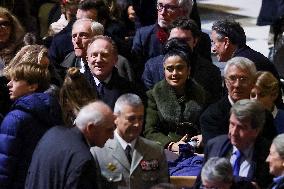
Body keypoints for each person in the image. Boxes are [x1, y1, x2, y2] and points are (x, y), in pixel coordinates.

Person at [25, 101, 115, 189]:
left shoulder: (52, 134)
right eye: (108, 130)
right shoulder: (83, 159)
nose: (111, 136)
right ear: (90, 128)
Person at [0, 62, 62, 189]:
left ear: (32, 86)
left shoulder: (15, 118)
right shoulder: (55, 111)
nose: (9, 84)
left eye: (16, 80)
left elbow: (4, 166)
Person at [91, 93, 169, 189]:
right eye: (131, 119)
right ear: (115, 119)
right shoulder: (97, 152)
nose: (137, 124)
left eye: (140, 118)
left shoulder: (155, 151)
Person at [143, 40, 206, 154]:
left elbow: (210, 123)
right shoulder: (153, 96)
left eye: (180, 68)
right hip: (165, 153)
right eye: (170, 69)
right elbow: (149, 131)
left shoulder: (202, 94)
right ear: (164, 71)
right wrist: (171, 145)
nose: (174, 73)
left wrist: (204, 136)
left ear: (188, 70)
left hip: (198, 151)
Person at [142, 19, 222, 103]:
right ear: (168, 39)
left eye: (185, 40)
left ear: (195, 41)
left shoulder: (211, 72)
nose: (178, 43)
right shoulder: (152, 67)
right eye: (174, 39)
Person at [200, 57, 277, 144]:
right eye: (232, 78)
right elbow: (216, 152)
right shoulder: (212, 117)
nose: (237, 85)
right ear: (225, 82)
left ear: (253, 82)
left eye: (243, 79)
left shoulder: (264, 116)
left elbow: (270, 152)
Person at [211, 18, 283, 107]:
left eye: (214, 43)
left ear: (226, 42)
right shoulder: (251, 55)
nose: (213, 49)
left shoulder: (239, 66)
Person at [131, 0, 212, 80]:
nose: (162, 12)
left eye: (170, 8)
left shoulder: (200, 39)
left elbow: (206, 73)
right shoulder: (143, 36)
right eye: (160, 5)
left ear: (184, 11)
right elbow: (137, 73)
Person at [204, 99, 273, 189]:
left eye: (241, 127)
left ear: (256, 131)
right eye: (232, 124)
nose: (233, 132)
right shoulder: (215, 145)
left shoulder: (270, 155)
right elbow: (200, 183)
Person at [86, 35, 136, 109]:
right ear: (87, 59)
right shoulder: (77, 87)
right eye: (94, 55)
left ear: (115, 60)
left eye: (104, 55)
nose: (99, 60)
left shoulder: (129, 90)